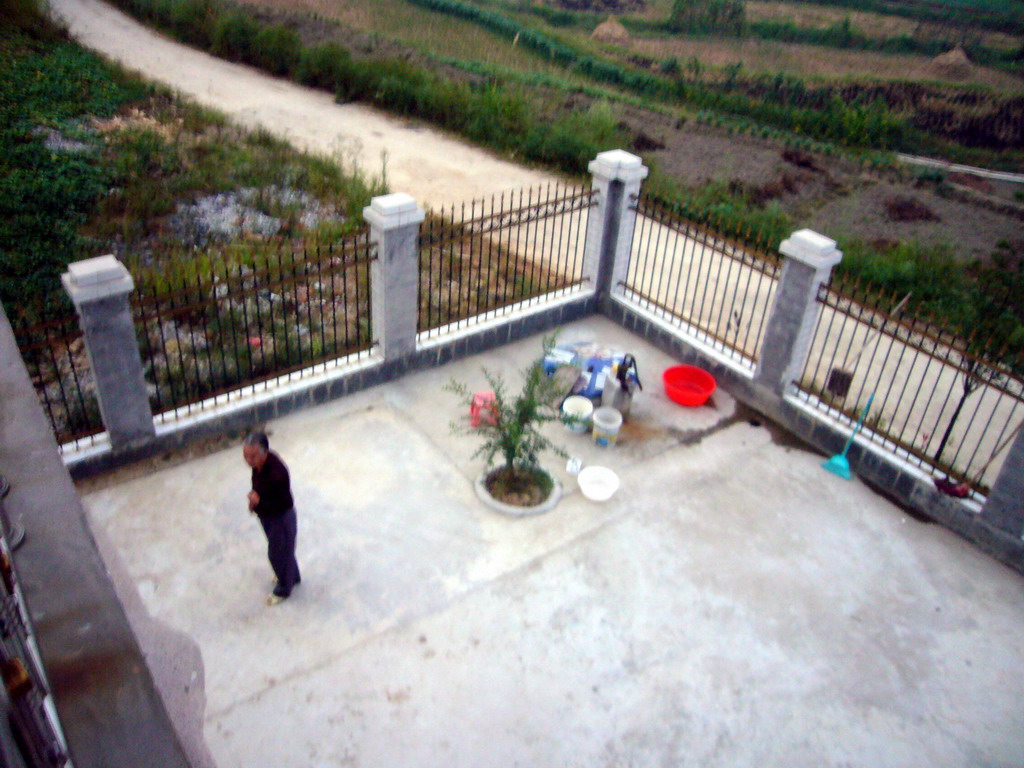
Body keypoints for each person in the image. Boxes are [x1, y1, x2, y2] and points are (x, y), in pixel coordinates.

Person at [243, 432, 301, 606]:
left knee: (277, 553)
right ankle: (292, 576)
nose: (248, 460)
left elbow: (282, 503)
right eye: (245, 456)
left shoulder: (277, 472)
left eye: (252, 456)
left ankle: (284, 588)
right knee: (285, 550)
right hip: (268, 517)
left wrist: (258, 502)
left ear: (264, 452)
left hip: (280, 518)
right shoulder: (259, 465)